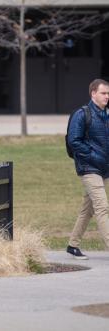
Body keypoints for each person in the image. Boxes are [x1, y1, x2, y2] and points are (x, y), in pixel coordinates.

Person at [66, 78, 109, 259]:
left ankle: (72, 245)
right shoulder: (82, 114)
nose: (107, 96)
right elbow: (73, 141)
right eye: (103, 93)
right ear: (93, 94)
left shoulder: (106, 115)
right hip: (89, 167)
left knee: (88, 209)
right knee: (102, 207)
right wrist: (94, 157)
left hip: (105, 168)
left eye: (108, 93)